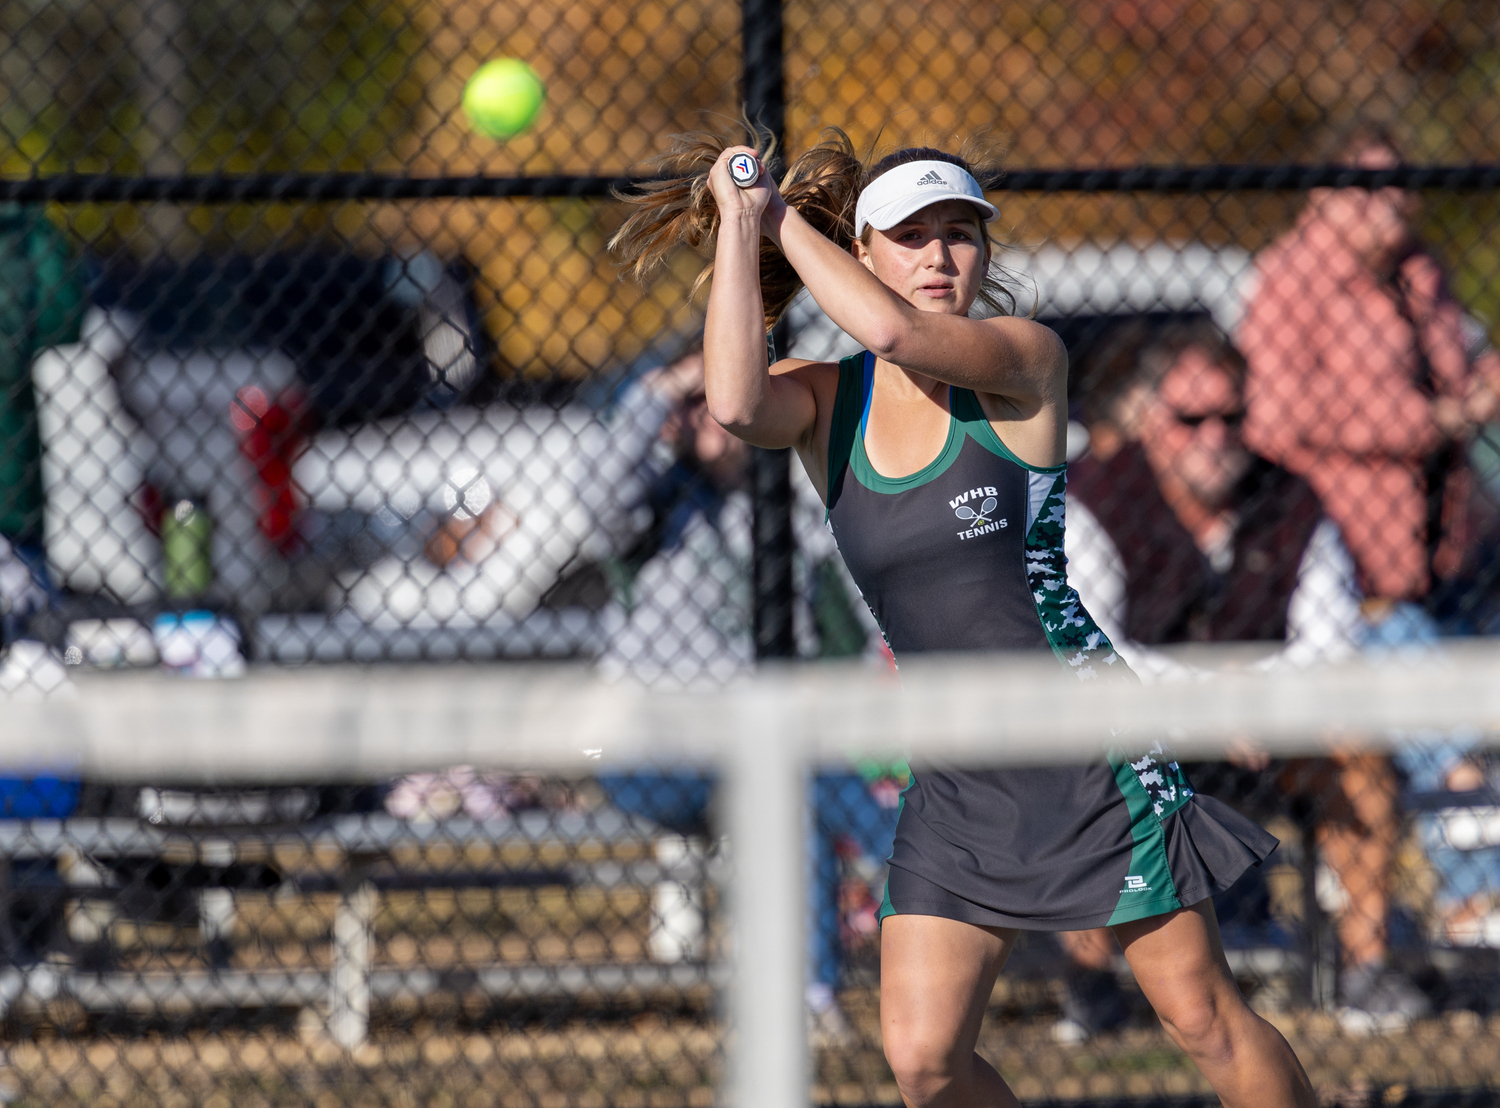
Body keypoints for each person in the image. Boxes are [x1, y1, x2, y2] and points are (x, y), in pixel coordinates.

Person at [612, 131, 1314, 1107]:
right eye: (910, 237)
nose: (940, 257)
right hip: (955, 770)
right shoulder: (829, 403)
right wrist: (738, 226)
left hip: (1083, 747)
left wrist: (779, 219)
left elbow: (900, 334)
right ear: (864, 254)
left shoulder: (1022, 362)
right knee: (924, 1060)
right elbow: (732, 401)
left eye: (960, 235)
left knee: (1202, 1019)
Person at [1064, 319, 1428, 1032]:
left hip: (1269, 734)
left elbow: (1331, 646)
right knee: (1078, 748)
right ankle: (1090, 982)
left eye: (1231, 416)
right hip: (1140, 731)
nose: (1214, 436)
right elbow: (1095, 647)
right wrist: (1211, 701)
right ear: (1148, 418)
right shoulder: (1096, 496)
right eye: (1190, 418)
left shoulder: (1291, 499)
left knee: (1358, 749)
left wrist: (1255, 703)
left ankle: (1366, 971)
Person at [1239, 126, 1500, 631]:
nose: (1388, 199)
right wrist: (1427, 422)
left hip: (1445, 548)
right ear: (1323, 195)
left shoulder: (1420, 271)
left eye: (1398, 182)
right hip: (1347, 561)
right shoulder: (1290, 277)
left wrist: (1486, 384)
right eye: (1365, 184)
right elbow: (1277, 409)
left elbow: (1461, 365)